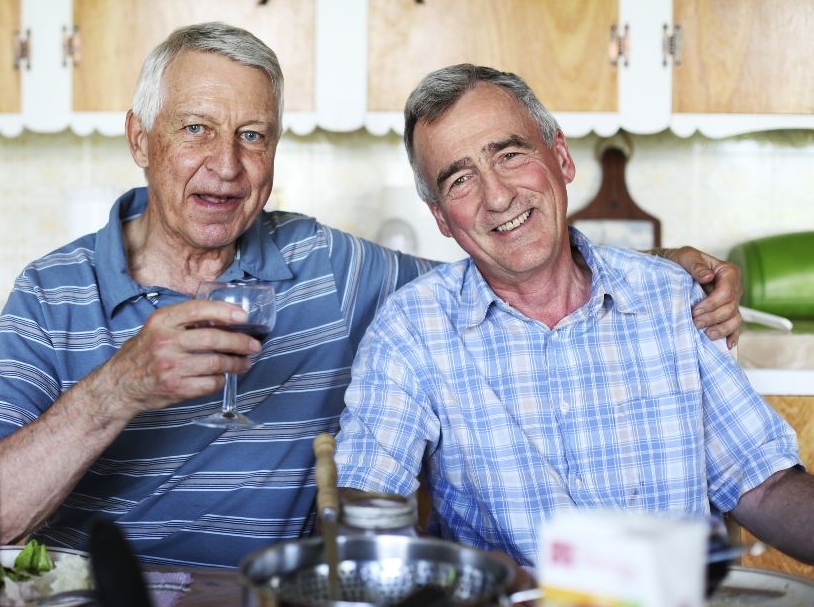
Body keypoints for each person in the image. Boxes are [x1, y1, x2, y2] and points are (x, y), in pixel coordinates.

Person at [0, 23, 743, 569]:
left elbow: (509, 258)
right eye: (197, 129)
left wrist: (660, 272)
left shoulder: (330, 271)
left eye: (253, 135)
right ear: (141, 139)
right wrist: (120, 386)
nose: (227, 167)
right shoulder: (52, 290)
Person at [333, 63, 814, 570]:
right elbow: (365, 503)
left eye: (510, 155)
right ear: (440, 219)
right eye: (459, 180)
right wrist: (462, 580)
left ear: (561, 158)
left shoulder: (671, 296)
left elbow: (762, 483)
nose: (497, 197)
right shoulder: (412, 329)